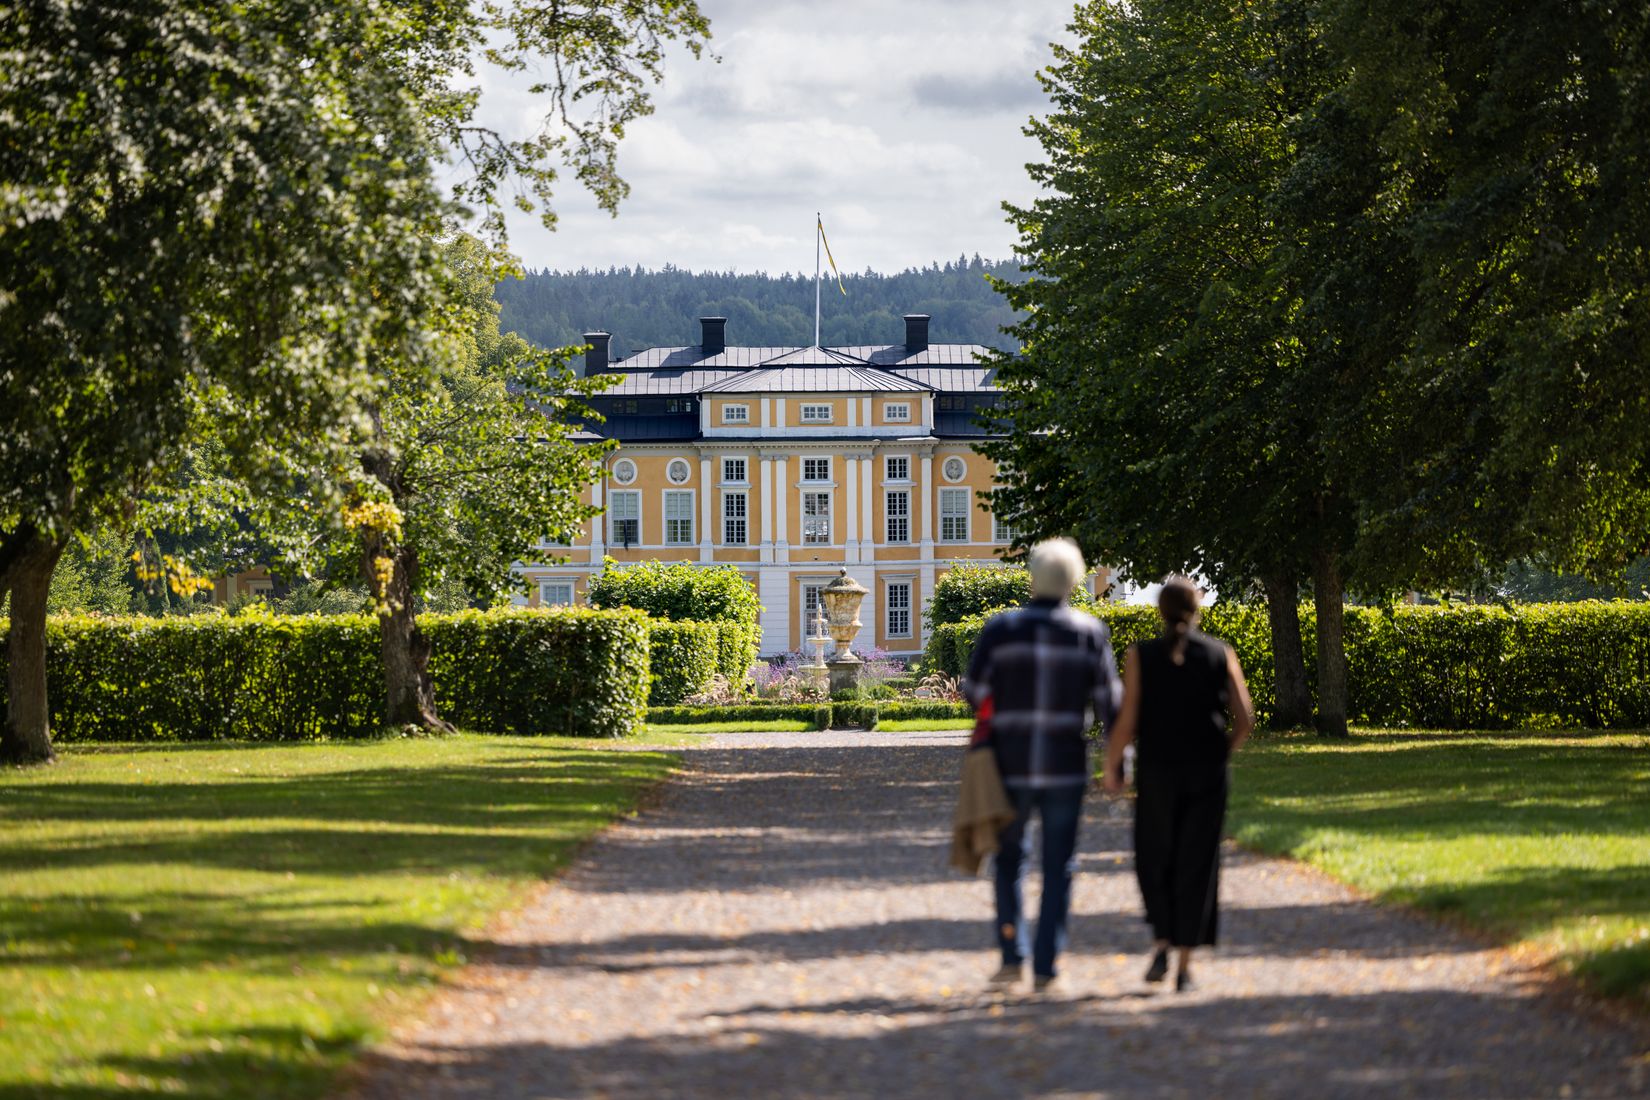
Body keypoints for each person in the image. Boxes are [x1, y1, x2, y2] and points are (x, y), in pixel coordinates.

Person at [964, 538, 1120, 992]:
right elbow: (1109, 702)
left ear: (1032, 578)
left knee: (1009, 860)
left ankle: (1013, 957)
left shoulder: (1001, 629)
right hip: (1064, 765)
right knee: (1059, 865)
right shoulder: (1089, 632)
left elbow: (975, 690)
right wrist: (1119, 761)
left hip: (1008, 763)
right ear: (1074, 581)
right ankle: (1047, 967)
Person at [1103, 576, 1255, 992]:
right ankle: (1185, 966)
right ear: (1197, 609)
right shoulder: (1220, 653)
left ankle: (1161, 944)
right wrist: (1222, 751)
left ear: (1161, 611)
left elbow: (1128, 718)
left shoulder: (1141, 655)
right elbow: (1245, 718)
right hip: (1206, 770)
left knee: (1155, 855)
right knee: (1198, 861)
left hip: (1158, 768)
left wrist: (1113, 765)